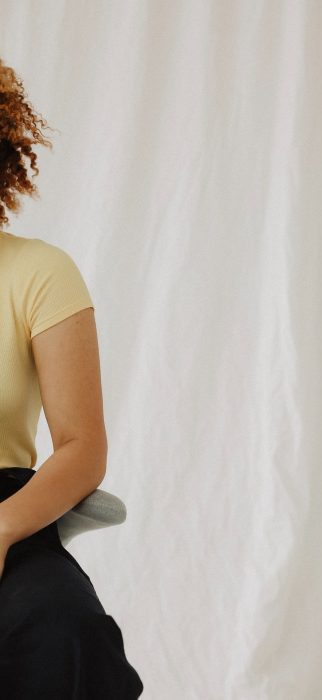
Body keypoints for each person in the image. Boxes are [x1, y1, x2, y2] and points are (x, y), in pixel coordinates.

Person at [0, 58, 144, 697]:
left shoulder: (39, 272)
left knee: (61, 626)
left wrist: (1, 532)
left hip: (6, 508)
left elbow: (83, 447)